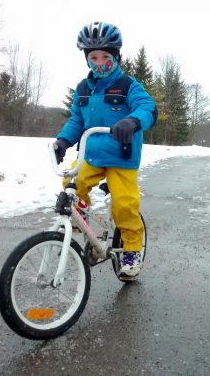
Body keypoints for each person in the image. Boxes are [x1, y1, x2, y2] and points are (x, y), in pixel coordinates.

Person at [54, 21, 157, 278]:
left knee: (124, 205)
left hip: (121, 157)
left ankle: (132, 249)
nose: (99, 62)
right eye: (93, 57)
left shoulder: (127, 85)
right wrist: (63, 142)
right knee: (71, 185)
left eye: (105, 57)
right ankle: (85, 230)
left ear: (116, 56)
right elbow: (77, 120)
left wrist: (132, 121)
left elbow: (147, 108)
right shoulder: (83, 89)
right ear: (87, 59)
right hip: (92, 154)